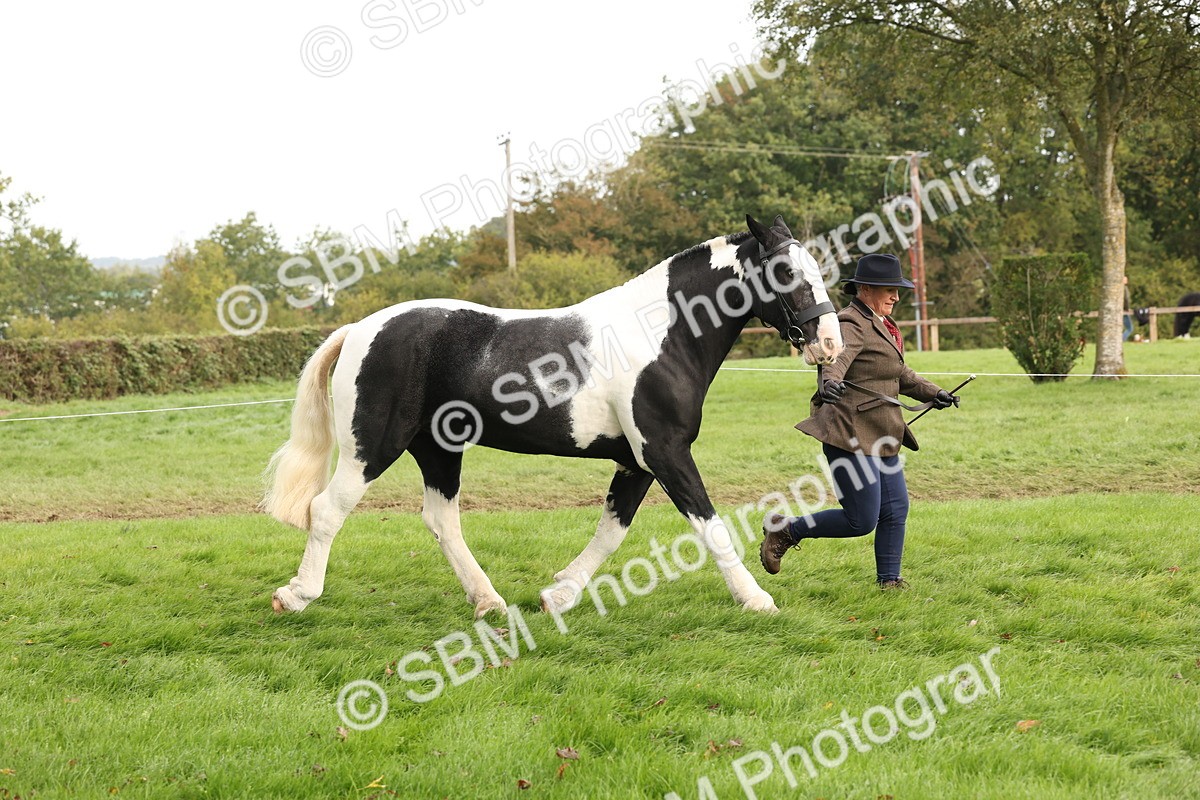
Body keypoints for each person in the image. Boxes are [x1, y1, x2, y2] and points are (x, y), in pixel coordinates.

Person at [759, 253, 959, 589]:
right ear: (865, 288)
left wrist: (934, 393)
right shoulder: (851, 322)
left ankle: (889, 581)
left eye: (898, 289)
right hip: (848, 434)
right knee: (860, 520)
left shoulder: (882, 324)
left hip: (882, 433)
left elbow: (900, 375)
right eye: (889, 289)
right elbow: (834, 360)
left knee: (895, 511)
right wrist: (829, 380)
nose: (896, 296)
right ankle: (786, 529)